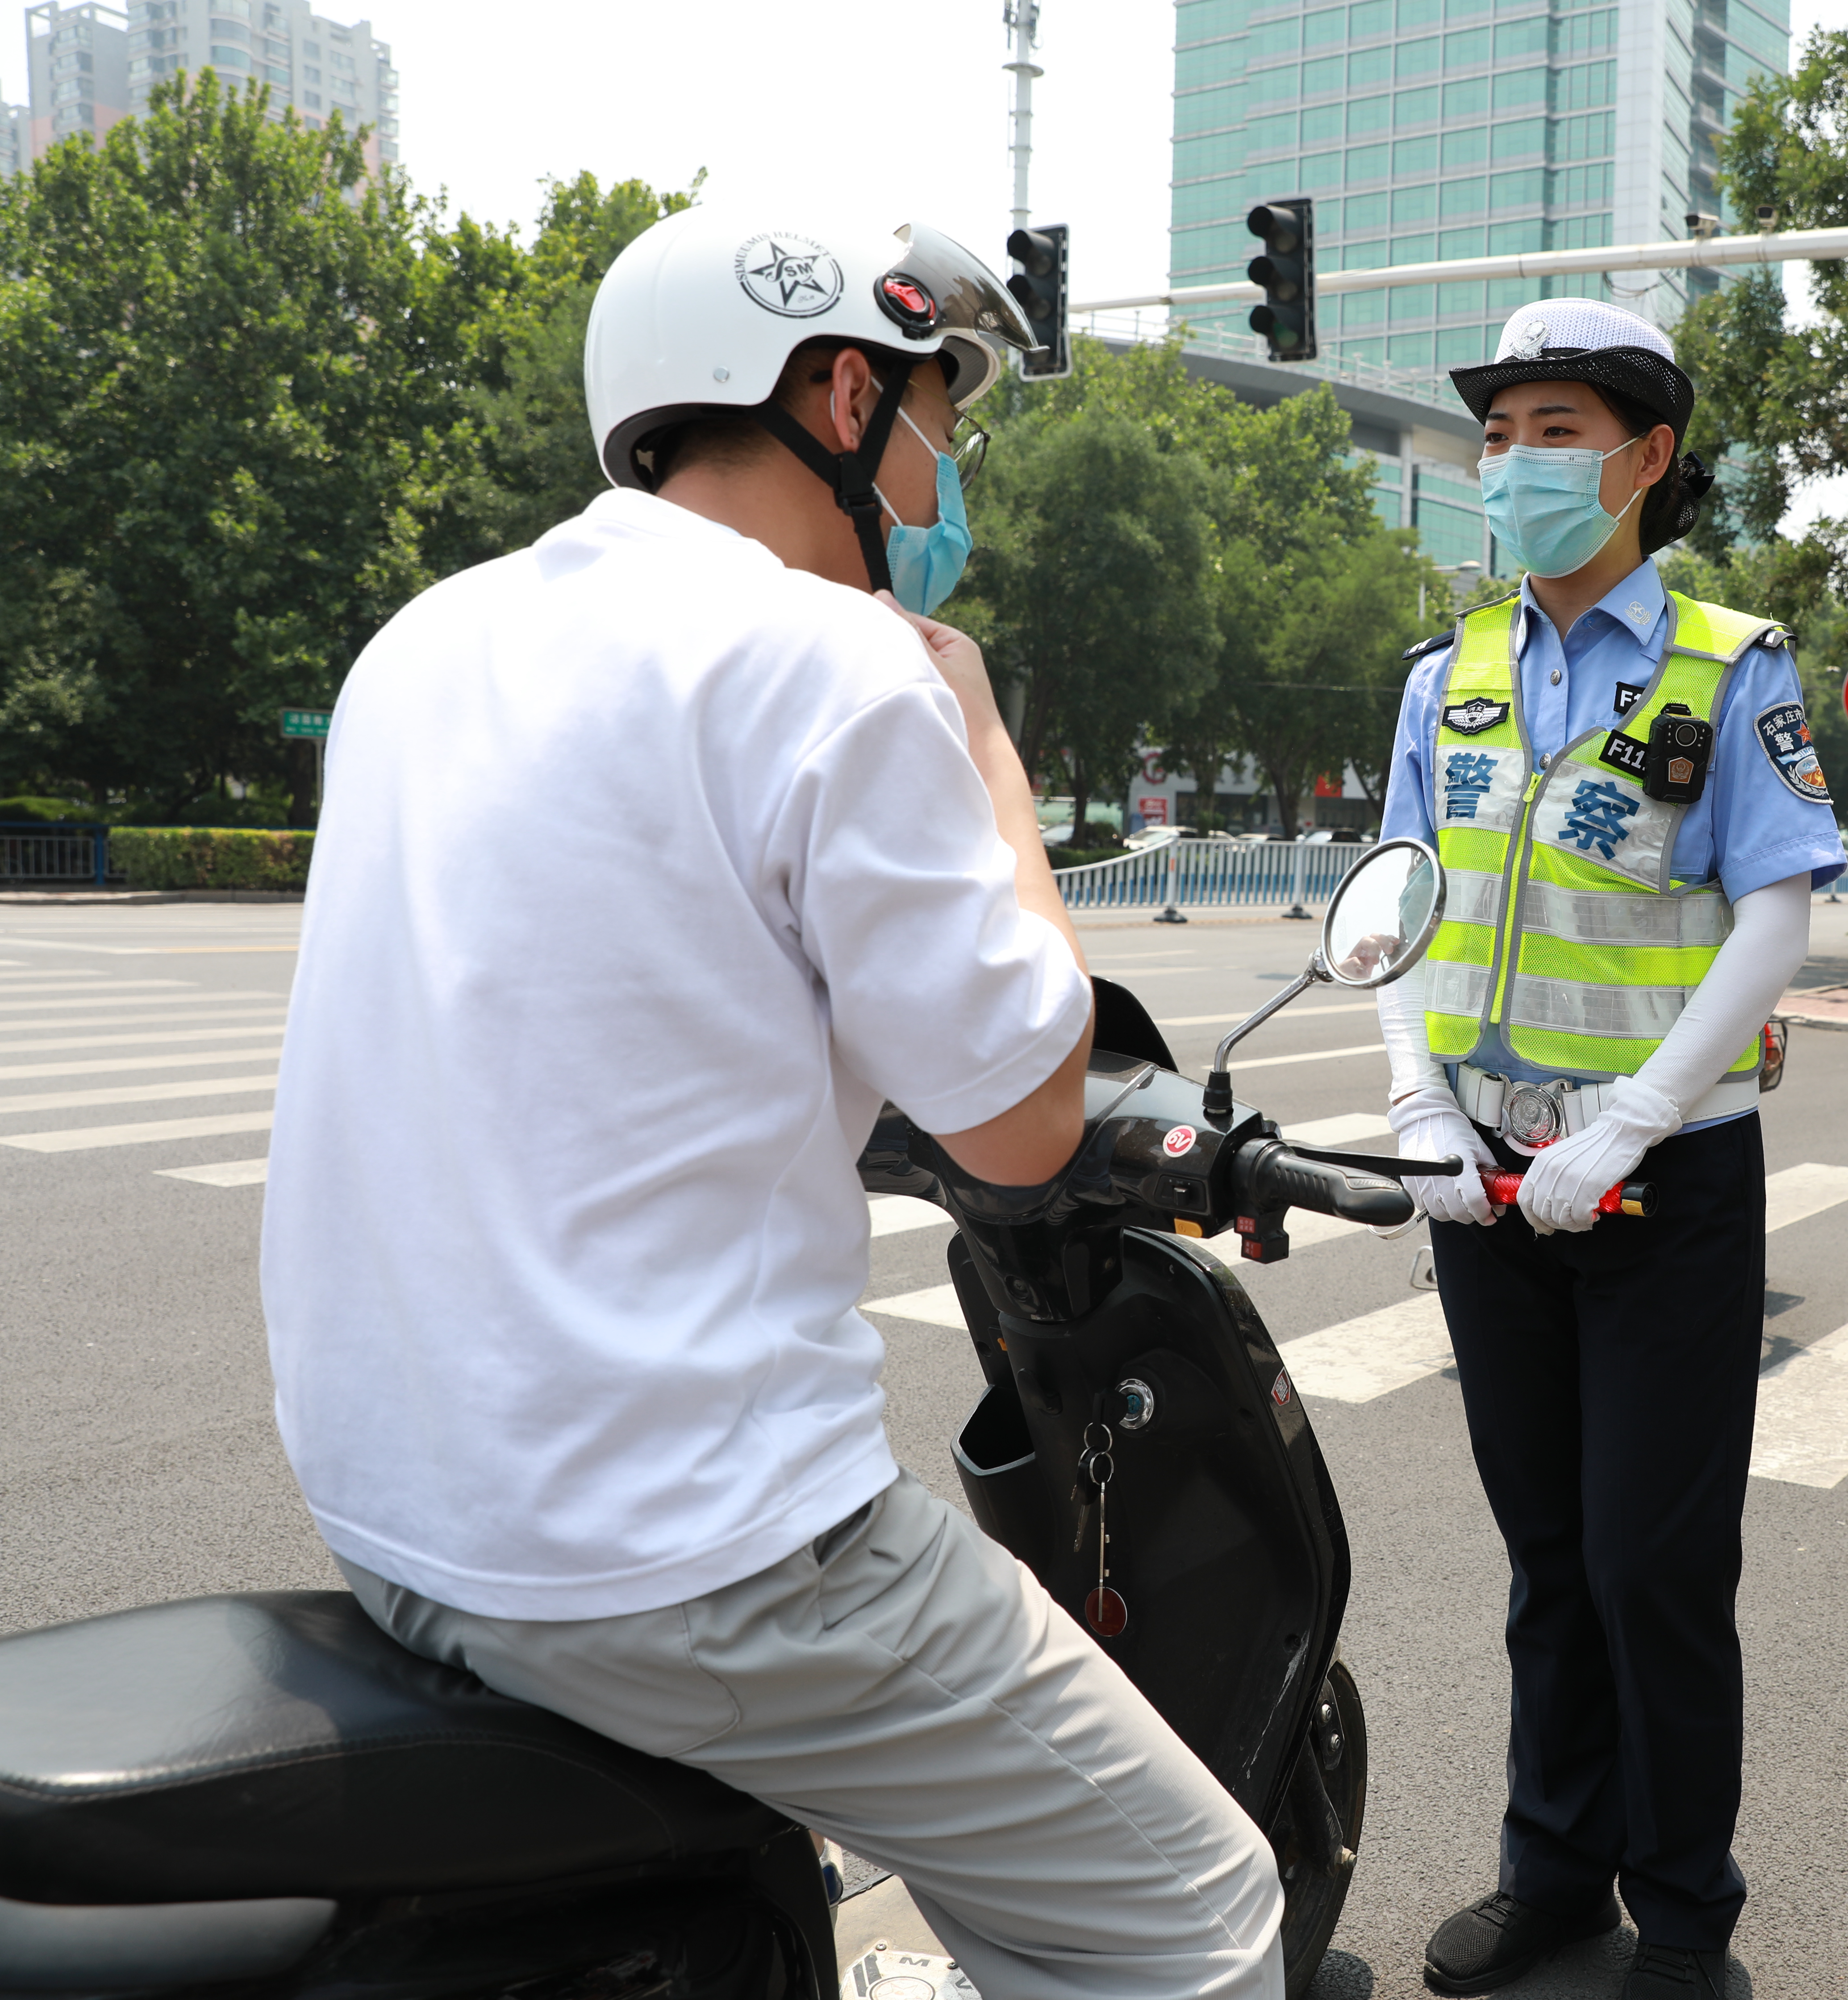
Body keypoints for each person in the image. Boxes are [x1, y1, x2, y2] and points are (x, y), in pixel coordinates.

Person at [261, 208, 1286, 2000]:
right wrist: (983, 746)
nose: (939, 477)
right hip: (694, 1557)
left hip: (407, 1515)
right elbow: (1025, 1123)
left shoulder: (426, 644)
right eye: (932, 421)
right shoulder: (834, 664)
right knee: (1194, 1908)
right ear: (834, 393)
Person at [1375, 299, 1842, 2000]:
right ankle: (1551, 1873)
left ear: (1641, 460)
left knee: (1656, 1562)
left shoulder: (1730, 664)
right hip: (1484, 1180)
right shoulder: (1452, 676)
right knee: (1546, 1554)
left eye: (1550, 431)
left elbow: (1774, 912)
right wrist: (1420, 1103)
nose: (1510, 466)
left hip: (1661, 1185)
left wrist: (1639, 1114)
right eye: (1496, 437)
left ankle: (1686, 1914)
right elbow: (1396, 911)